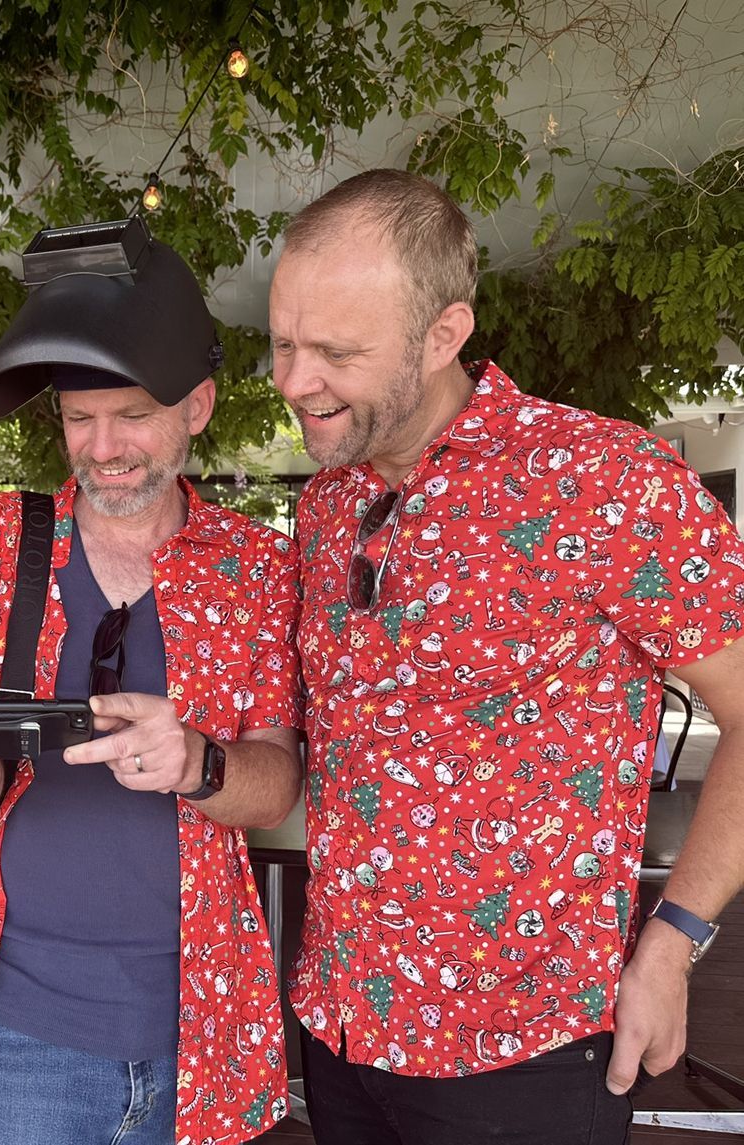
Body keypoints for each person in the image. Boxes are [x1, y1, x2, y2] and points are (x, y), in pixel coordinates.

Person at [268, 167, 744, 1145]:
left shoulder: (606, 481)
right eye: (281, 342)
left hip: (525, 1048)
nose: (292, 381)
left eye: (336, 352)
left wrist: (673, 938)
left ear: (443, 333)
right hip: (339, 1020)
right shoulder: (323, 506)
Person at [0, 221, 302, 1145]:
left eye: (131, 413)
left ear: (198, 405)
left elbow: (275, 785)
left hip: (203, 1021)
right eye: (76, 417)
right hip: (24, 1032)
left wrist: (196, 762)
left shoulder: (257, 568)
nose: (102, 446)